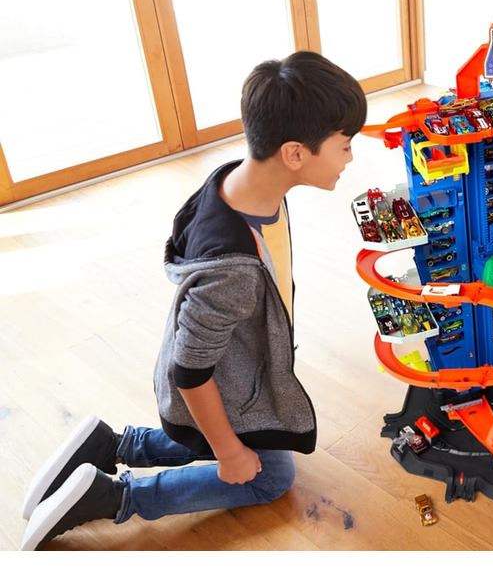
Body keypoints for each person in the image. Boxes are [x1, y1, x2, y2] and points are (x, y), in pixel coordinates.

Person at [20, 51, 366, 550]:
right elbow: (191, 371)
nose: (350, 157)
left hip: (238, 374)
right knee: (271, 477)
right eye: (345, 145)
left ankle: (113, 445)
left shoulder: (236, 180)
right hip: (215, 389)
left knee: (263, 448)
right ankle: (114, 496)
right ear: (294, 153)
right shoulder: (233, 269)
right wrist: (228, 453)